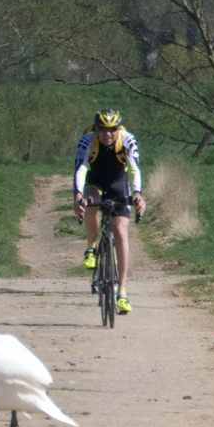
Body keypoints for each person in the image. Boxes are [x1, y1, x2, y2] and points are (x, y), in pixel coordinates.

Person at [73, 109, 145, 314]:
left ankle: (122, 293)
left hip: (117, 183)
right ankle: (91, 247)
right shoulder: (86, 141)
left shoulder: (128, 140)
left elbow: (134, 169)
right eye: (103, 130)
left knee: (121, 232)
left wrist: (138, 193)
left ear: (118, 129)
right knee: (91, 202)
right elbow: (80, 169)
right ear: (96, 129)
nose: (108, 134)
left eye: (112, 130)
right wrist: (78, 196)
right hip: (94, 181)